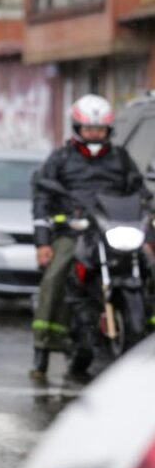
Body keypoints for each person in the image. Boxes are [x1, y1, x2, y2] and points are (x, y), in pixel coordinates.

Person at [30, 94, 150, 382]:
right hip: (75, 232)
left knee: (149, 265)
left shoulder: (121, 159)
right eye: (89, 129)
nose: (95, 134)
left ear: (108, 130)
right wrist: (43, 242)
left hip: (115, 230)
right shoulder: (59, 159)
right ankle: (43, 349)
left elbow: (139, 192)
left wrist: (148, 224)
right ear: (78, 128)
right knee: (57, 274)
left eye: (100, 129)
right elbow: (43, 200)